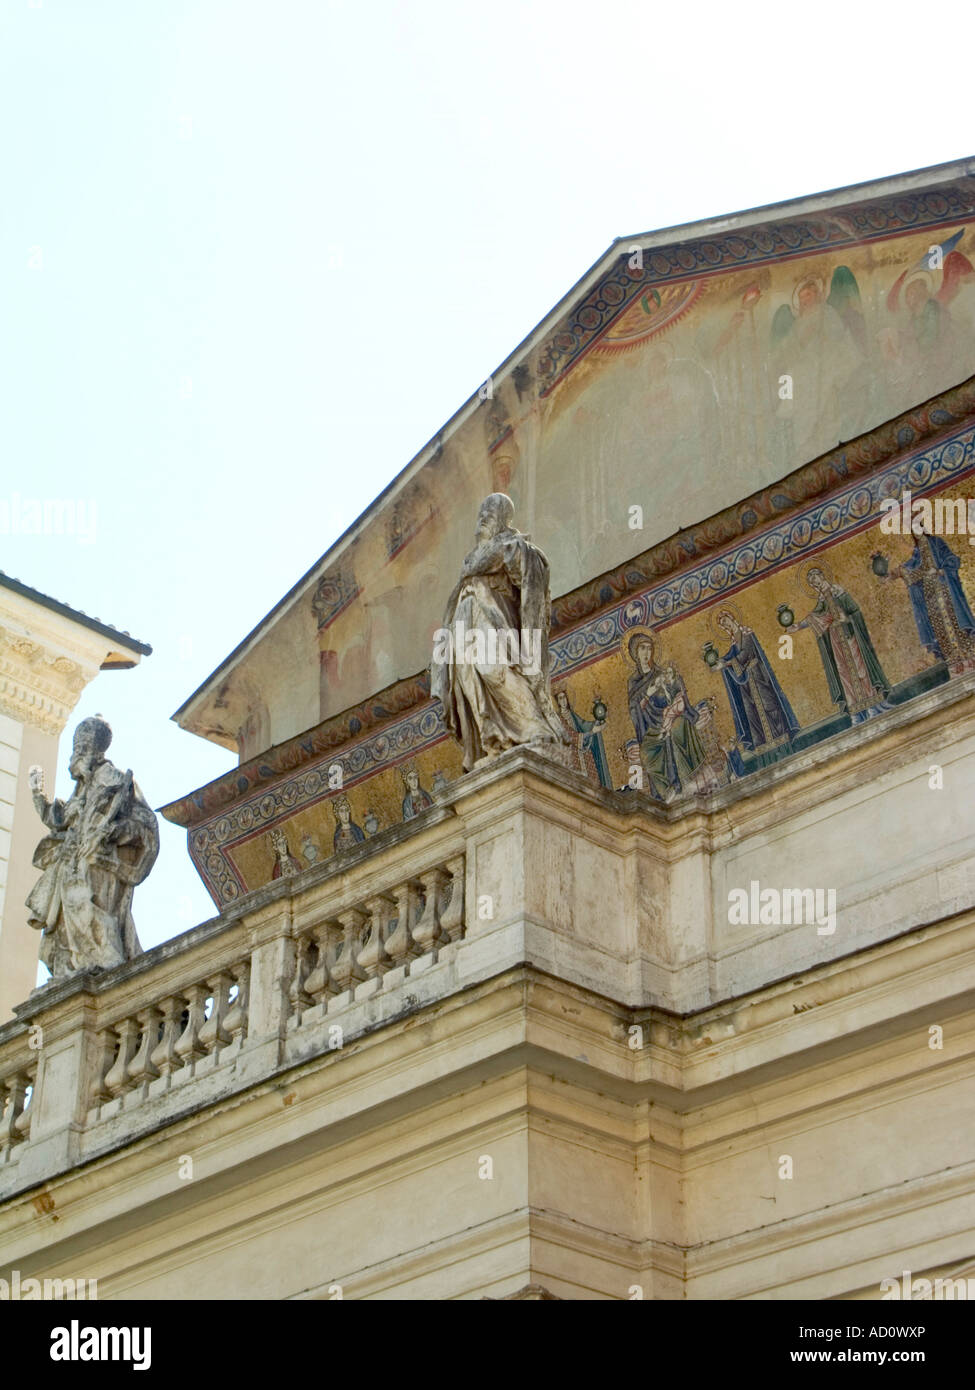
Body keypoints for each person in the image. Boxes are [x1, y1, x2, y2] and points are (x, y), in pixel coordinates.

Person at [431, 493, 565, 770]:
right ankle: (491, 738)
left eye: (489, 516)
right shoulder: (470, 562)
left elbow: (529, 578)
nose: (481, 521)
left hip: (492, 620)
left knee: (493, 668)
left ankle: (532, 727)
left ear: (503, 522)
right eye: (480, 515)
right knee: (468, 678)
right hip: (464, 622)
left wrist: (513, 554)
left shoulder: (513, 547)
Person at [26, 715, 158, 978]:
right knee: (63, 926)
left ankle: (105, 969)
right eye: (76, 745)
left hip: (99, 862)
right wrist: (38, 796)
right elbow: (59, 819)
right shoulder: (80, 791)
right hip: (71, 863)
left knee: (90, 914)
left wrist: (115, 832)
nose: (77, 751)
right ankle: (70, 971)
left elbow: (146, 826)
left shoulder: (117, 781)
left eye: (83, 745)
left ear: (97, 748)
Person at [788, 567, 890, 722]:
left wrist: (846, 618)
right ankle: (856, 712)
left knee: (860, 668)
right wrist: (798, 626)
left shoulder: (838, 592)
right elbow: (815, 618)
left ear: (822, 576)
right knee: (844, 674)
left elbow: (855, 610)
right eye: (812, 583)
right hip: (836, 641)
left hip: (850, 636)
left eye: (816, 580)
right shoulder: (822, 601)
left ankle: (871, 706)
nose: (815, 584)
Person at [626, 631, 716, 801]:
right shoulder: (633, 682)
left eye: (649, 648)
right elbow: (634, 708)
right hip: (651, 728)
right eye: (642, 649)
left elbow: (678, 689)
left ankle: (683, 782)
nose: (646, 653)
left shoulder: (662, 673)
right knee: (646, 751)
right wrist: (647, 693)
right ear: (635, 653)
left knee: (676, 729)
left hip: (672, 718)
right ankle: (666, 790)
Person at [711, 610, 798, 754]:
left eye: (727, 621)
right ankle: (763, 746)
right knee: (752, 714)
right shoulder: (734, 644)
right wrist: (720, 662)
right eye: (724, 625)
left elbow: (744, 654)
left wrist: (725, 664)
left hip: (758, 678)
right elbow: (731, 656)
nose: (727, 625)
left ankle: (782, 740)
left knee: (769, 705)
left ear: (732, 618)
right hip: (747, 686)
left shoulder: (746, 634)